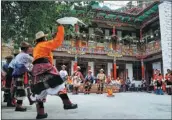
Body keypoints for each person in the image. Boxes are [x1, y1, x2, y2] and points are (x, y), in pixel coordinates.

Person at [30, 25, 77, 119]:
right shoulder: (44, 44)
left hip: (36, 70)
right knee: (58, 83)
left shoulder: (36, 48)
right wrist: (60, 28)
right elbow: (57, 41)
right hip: (45, 67)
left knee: (40, 89)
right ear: (44, 38)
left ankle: (40, 113)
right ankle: (67, 103)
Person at [12, 42, 33, 111]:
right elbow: (33, 60)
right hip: (20, 74)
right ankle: (19, 106)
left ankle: (18, 105)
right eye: (28, 48)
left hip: (17, 74)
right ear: (26, 49)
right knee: (21, 89)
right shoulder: (25, 55)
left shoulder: (18, 55)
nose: (29, 49)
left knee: (20, 89)